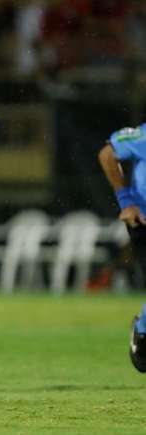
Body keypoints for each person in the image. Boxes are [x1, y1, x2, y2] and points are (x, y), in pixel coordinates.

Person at [99, 126, 146, 373]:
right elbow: (108, 154)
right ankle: (142, 331)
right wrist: (126, 202)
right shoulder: (144, 136)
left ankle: (143, 329)